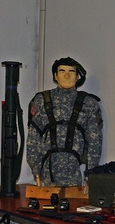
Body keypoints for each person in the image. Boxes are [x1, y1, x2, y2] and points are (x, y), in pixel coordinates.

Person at [26, 57, 103, 187]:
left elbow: (94, 142)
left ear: (78, 76)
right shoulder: (41, 101)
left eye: (71, 72)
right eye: (62, 71)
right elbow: (33, 138)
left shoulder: (89, 104)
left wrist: (90, 174)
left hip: (74, 176)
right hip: (46, 176)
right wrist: (36, 169)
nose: (67, 75)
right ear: (55, 76)